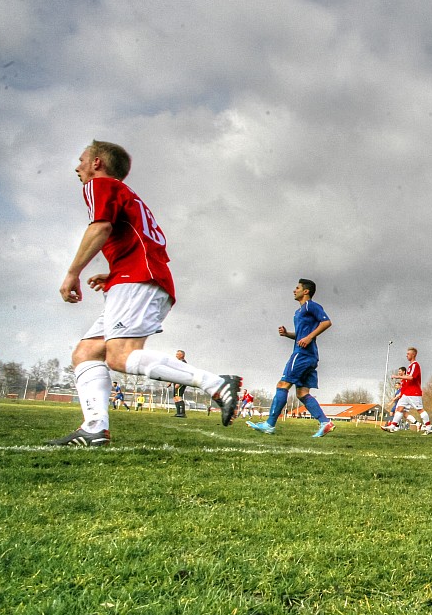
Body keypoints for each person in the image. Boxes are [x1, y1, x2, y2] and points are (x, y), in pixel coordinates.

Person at [50, 140, 241, 446]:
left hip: (138, 279)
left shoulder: (101, 186)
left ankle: (216, 383)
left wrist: (73, 273)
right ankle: (95, 427)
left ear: (97, 162)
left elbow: (100, 229)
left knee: (120, 356)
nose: (78, 166)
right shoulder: (125, 195)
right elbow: (139, 241)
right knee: (86, 352)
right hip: (135, 277)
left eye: (82, 159)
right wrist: (113, 274)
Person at [247, 278, 334, 438]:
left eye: (297, 288)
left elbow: (326, 322)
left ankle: (270, 424)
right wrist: (288, 334)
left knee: (282, 384)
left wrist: (309, 338)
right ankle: (325, 422)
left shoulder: (310, 305)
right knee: (302, 393)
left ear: (306, 291)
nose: (294, 290)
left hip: (302, 354)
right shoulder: (298, 312)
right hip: (309, 355)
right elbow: (301, 336)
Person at [381, 348, 432, 433]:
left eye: (408, 354)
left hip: (414, 393)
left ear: (413, 355)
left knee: (420, 410)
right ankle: (393, 426)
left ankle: (428, 427)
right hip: (407, 393)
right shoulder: (410, 366)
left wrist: (397, 377)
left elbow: (411, 377)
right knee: (399, 409)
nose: (406, 355)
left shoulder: (415, 365)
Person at [171, 349, 189, 417]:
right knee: (175, 398)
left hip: (181, 382)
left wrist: (179, 382)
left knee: (178, 397)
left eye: (178, 354)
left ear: (182, 355)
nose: (176, 355)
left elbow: (183, 373)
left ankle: (182, 413)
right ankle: (178, 413)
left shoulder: (183, 363)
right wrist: (170, 381)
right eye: (176, 354)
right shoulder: (177, 363)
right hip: (176, 381)